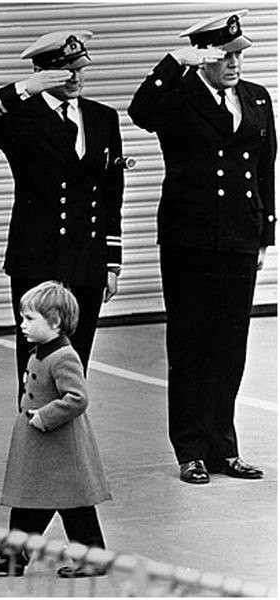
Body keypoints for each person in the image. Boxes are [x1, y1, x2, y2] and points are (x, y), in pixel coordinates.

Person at [128, 11, 276, 484]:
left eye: (238, 54)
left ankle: (223, 447)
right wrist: (174, 62)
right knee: (190, 344)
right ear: (203, 58)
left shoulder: (256, 97)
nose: (234, 63)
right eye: (225, 55)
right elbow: (140, 113)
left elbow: (265, 168)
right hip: (189, 238)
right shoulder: (178, 96)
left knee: (230, 345)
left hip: (238, 235)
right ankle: (190, 448)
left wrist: (265, 232)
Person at [0, 30, 125, 405]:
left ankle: (68, 453)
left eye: (81, 69)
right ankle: (32, 445)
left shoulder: (102, 118)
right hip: (37, 256)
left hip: (87, 256)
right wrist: (23, 89)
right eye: (67, 71)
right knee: (34, 363)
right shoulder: (20, 117)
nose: (77, 78)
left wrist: (111, 261)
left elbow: (113, 190)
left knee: (76, 362)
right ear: (44, 73)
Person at [0, 281, 111, 578]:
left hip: (60, 446)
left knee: (74, 507)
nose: (21, 323)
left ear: (55, 322)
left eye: (29, 318)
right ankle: (13, 556)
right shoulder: (40, 352)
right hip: (42, 446)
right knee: (27, 500)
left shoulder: (63, 356)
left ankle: (93, 558)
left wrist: (45, 416)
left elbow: (78, 398)